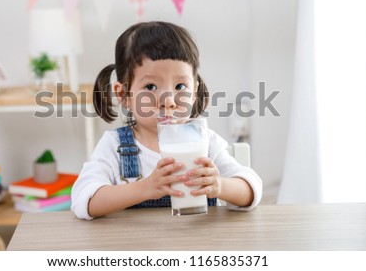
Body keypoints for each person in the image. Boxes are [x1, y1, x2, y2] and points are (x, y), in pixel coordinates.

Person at [71, 21, 262, 220]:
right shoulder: (115, 146)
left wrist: (220, 185)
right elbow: (84, 199)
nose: (168, 101)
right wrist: (143, 189)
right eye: (151, 86)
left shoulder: (205, 142)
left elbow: (251, 188)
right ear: (124, 94)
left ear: (194, 91)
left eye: (180, 86)